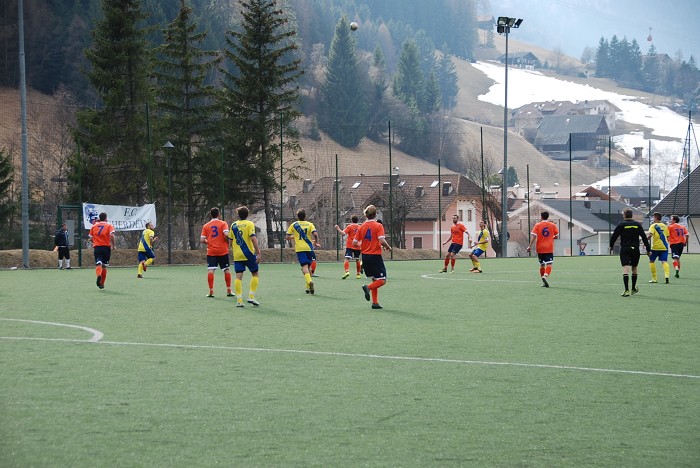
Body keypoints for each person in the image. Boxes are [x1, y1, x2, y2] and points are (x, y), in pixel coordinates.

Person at [354, 204, 392, 309]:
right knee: (382, 280)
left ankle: (375, 303)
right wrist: (388, 247)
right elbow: (381, 240)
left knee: (375, 279)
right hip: (375, 256)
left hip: (365, 256)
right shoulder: (378, 226)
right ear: (375, 214)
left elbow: (354, 242)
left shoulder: (361, 227)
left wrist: (363, 245)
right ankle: (367, 288)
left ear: (366, 214)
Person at [609, 209, 651, 296]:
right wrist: (648, 249)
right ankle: (633, 288)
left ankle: (626, 290)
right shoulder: (637, 225)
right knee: (634, 267)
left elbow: (614, 236)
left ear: (624, 215)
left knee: (626, 268)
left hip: (625, 248)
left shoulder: (621, 225)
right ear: (632, 215)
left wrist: (611, 246)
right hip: (635, 249)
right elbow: (644, 237)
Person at [228, 206, 261, 307]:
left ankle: (239, 300)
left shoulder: (233, 225)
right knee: (255, 274)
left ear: (238, 215)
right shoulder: (250, 224)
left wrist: (235, 249)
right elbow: (253, 238)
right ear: (247, 214)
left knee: (239, 276)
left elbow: (230, 241)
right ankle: (251, 296)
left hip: (237, 254)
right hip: (248, 253)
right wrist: (258, 252)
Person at [286, 209, 320, 294]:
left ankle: (309, 282)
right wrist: (315, 242)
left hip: (300, 249)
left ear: (298, 216)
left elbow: (287, 237)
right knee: (309, 267)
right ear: (305, 216)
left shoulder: (294, 225)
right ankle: (308, 287)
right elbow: (315, 234)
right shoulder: (310, 224)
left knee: (304, 267)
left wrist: (295, 237)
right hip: (309, 248)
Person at [200, 207, 232, 297]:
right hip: (222, 250)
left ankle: (211, 291)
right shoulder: (223, 223)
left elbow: (202, 240)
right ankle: (229, 290)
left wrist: (208, 242)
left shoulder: (206, 225)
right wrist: (227, 241)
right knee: (226, 270)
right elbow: (226, 234)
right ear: (219, 214)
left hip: (211, 251)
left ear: (211, 215)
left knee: (211, 270)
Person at [526, 211, 559, 288]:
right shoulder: (552, 225)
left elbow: (534, 236)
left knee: (542, 265)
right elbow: (556, 236)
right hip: (549, 248)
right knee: (549, 264)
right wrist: (552, 237)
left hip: (540, 248)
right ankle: (545, 275)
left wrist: (529, 246)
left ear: (541, 217)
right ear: (548, 217)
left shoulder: (537, 225)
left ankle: (543, 282)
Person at [88, 212, 115, 289]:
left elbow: (90, 238)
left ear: (99, 218)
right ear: (106, 218)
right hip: (106, 247)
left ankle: (98, 275)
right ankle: (102, 283)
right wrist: (113, 245)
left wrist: (94, 242)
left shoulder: (94, 226)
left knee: (98, 263)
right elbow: (112, 235)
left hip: (97, 247)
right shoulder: (109, 225)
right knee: (104, 266)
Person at [335, 215, 362, 279]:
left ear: (351, 220)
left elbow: (343, 233)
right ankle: (358, 274)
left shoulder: (349, 226)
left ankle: (347, 271)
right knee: (357, 259)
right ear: (357, 220)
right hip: (357, 245)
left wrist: (338, 228)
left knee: (347, 259)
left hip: (350, 245)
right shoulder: (360, 227)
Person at [647, 212, 671, 284]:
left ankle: (654, 278)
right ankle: (667, 276)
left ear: (656, 218)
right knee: (664, 261)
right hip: (664, 247)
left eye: (653, 217)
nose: (652, 219)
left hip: (655, 247)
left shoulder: (653, 226)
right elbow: (668, 237)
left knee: (651, 261)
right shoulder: (665, 226)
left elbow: (650, 235)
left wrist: (645, 241)